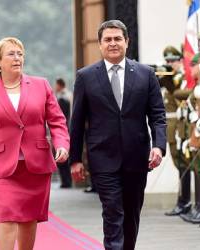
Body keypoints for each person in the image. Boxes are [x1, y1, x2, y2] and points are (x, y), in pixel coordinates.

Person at [69, 20, 166, 250]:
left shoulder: (146, 74)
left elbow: (158, 115)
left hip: (137, 158)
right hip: (103, 158)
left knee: (131, 216)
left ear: (127, 42)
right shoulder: (86, 76)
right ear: (100, 45)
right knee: (112, 213)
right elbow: (77, 121)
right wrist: (75, 159)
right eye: (107, 40)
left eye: (117, 39)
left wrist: (159, 146)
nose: (113, 43)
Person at [0, 37, 70, 250]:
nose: (17, 58)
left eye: (20, 54)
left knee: (29, 218)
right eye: (11, 54)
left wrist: (62, 144)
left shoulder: (41, 85)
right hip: (2, 167)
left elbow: (57, 120)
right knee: (8, 216)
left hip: (36, 165)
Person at [160, 46, 192, 217]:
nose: (170, 64)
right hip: (170, 127)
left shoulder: (181, 79)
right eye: (167, 61)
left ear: (181, 61)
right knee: (178, 164)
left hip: (180, 126)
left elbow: (183, 96)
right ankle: (182, 200)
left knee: (183, 165)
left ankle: (185, 201)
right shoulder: (170, 78)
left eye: (173, 61)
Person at [54, 78, 73, 188]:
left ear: (60, 85)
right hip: (68, 127)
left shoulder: (62, 98)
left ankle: (66, 181)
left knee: (61, 155)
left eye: (56, 85)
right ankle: (67, 180)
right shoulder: (70, 95)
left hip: (63, 129)